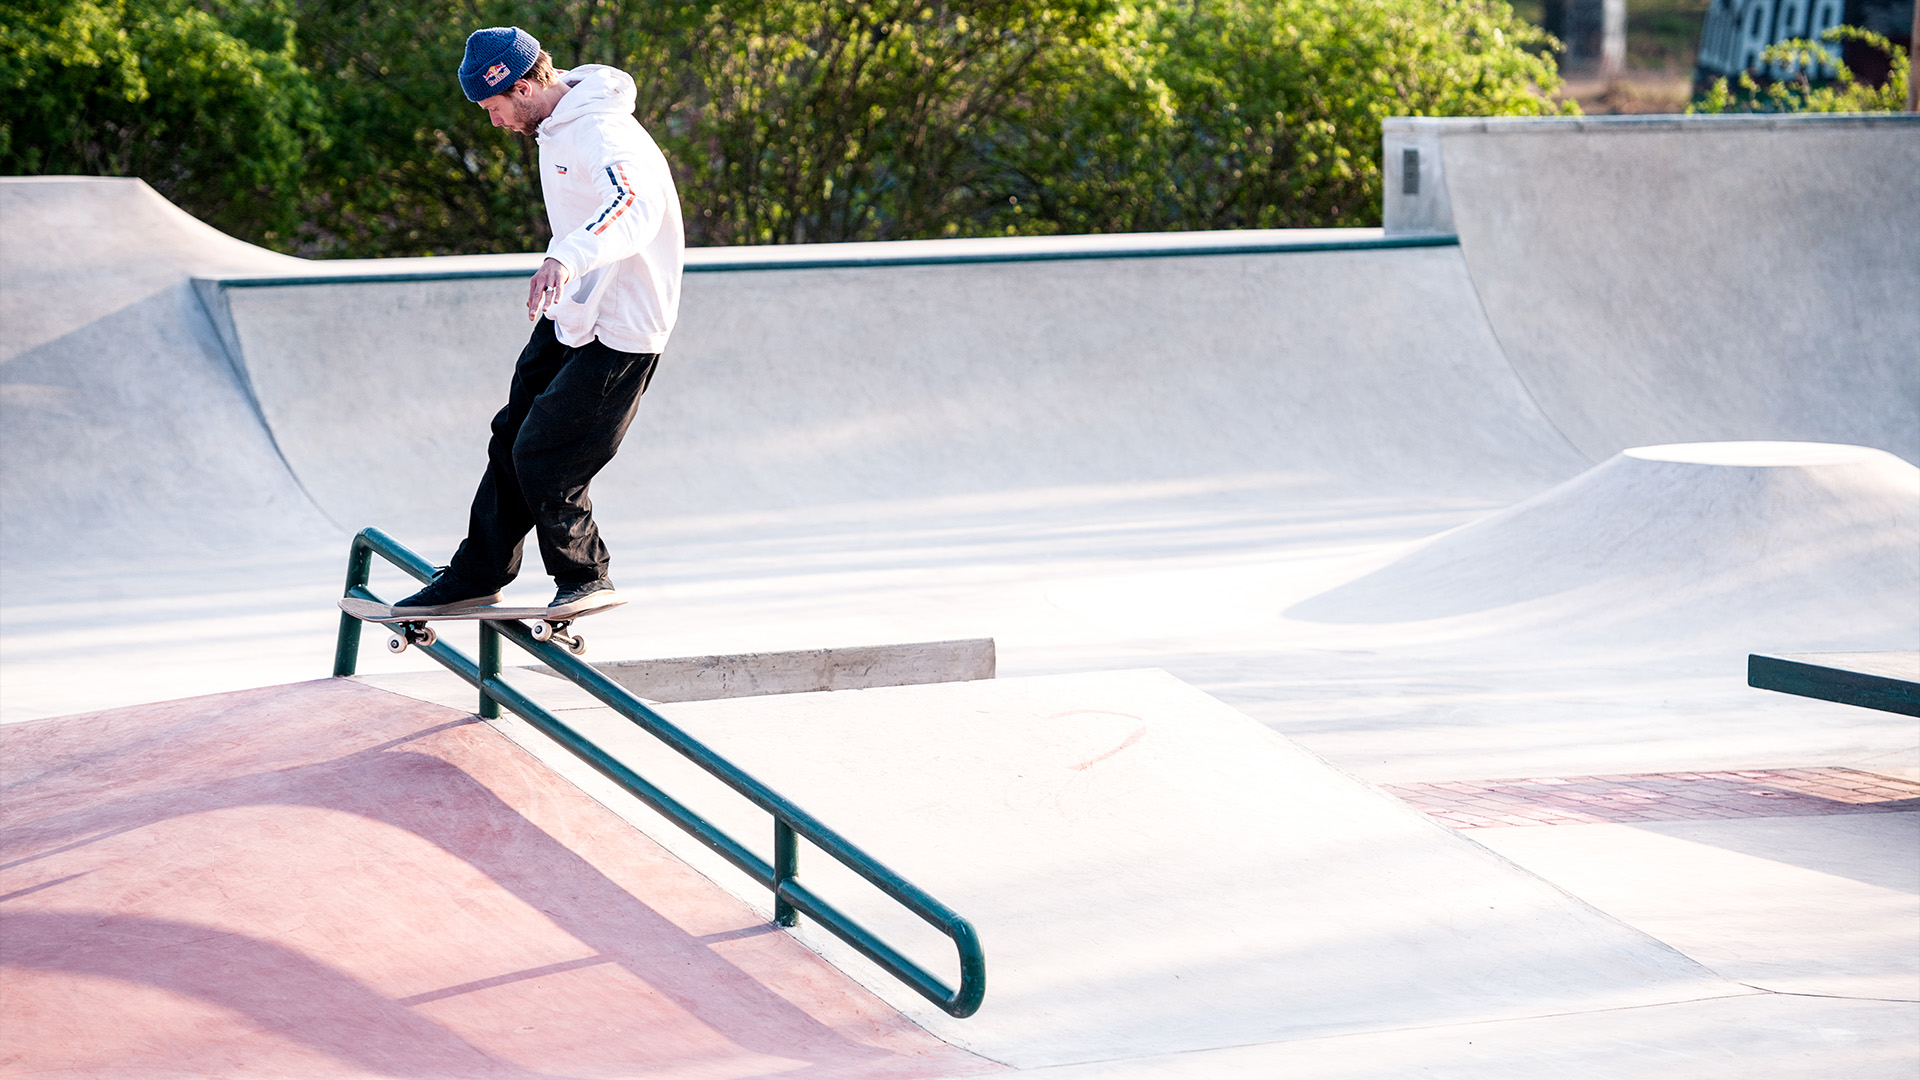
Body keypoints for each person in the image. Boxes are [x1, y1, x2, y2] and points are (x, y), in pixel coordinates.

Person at [392, 26, 684, 617]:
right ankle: (478, 574)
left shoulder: (604, 132)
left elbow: (634, 206)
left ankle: (586, 576)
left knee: (546, 452)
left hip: (622, 327)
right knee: (510, 440)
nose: (495, 123)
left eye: (495, 108)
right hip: (573, 314)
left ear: (524, 87)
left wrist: (563, 258)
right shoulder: (555, 126)